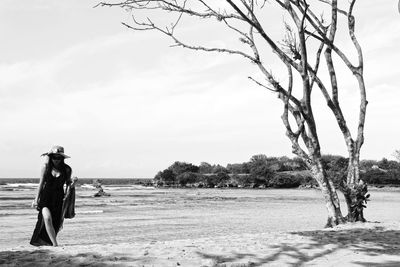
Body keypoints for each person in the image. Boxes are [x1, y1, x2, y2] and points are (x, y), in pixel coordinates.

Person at [30, 145, 77, 246]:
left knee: (55, 223)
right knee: (46, 218)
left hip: (58, 199)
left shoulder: (67, 169)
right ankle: (55, 244)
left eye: (59, 157)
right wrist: (36, 199)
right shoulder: (45, 167)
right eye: (54, 157)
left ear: (62, 158)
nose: (56, 160)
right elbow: (41, 183)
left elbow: (68, 184)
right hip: (45, 198)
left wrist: (72, 184)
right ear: (51, 157)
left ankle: (48, 243)